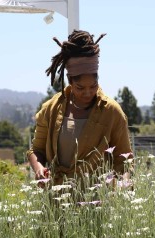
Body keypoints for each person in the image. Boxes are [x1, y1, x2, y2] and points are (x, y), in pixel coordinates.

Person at [27, 30, 133, 191]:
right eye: (80, 88)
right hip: (56, 198)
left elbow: (124, 159)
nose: (88, 92)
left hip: (96, 201)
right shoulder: (51, 109)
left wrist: (124, 185)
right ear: (69, 81)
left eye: (93, 86)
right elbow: (37, 150)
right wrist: (39, 169)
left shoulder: (112, 112)